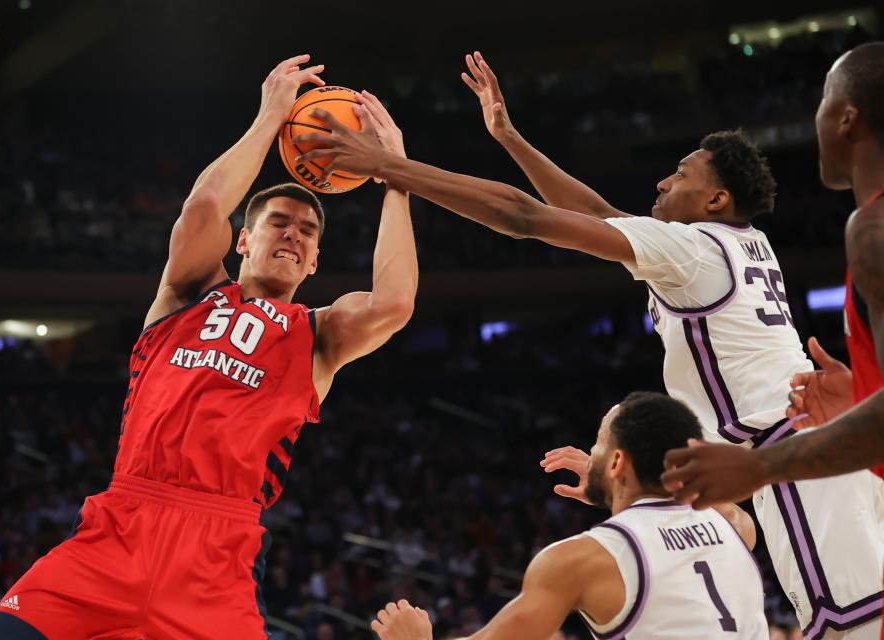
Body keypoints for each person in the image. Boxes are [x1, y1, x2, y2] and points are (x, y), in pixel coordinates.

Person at [294, 52, 884, 638]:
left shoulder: (694, 250)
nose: (662, 180)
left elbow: (524, 217)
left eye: (680, 173)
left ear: (715, 200)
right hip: (807, 451)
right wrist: (510, 138)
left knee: (852, 626)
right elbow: (599, 213)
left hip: (799, 463)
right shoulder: (738, 243)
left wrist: (390, 167)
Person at [0, 55, 418, 639]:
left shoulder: (319, 334)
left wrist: (397, 178)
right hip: (119, 527)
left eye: (308, 232)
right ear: (243, 240)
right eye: (278, 222)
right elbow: (203, 206)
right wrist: (269, 120)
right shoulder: (185, 294)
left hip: (217, 553)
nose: (293, 234)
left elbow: (394, 303)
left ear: (315, 262)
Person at [659, 43, 884, 502]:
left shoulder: (873, 228)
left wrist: (756, 465)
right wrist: (864, 396)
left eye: (823, 100)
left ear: (847, 118)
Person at [369, 393, 768, 640]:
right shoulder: (736, 527)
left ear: (617, 462)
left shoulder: (581, 561)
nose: (588, 452)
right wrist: (613, 486)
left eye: (596, 444)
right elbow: (677, 512)